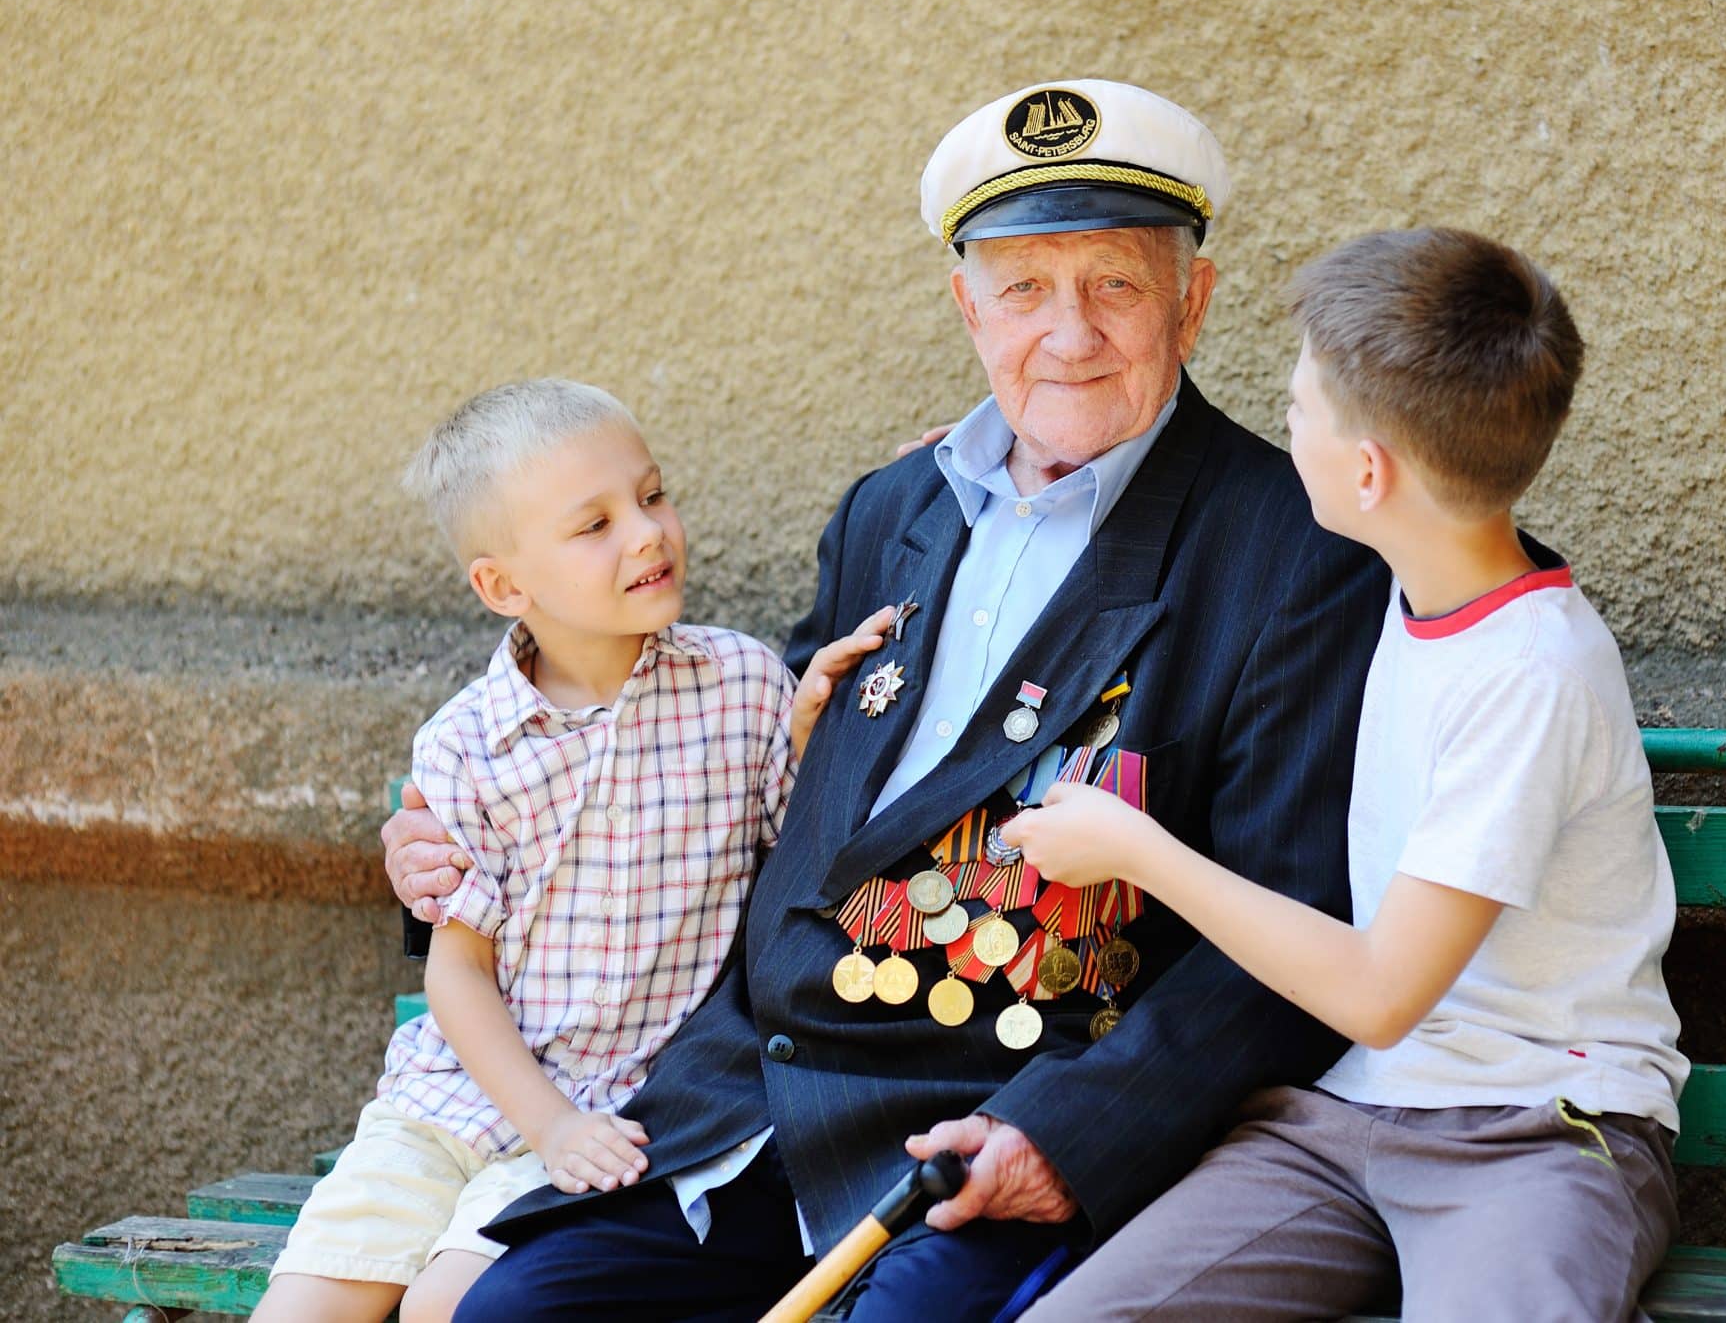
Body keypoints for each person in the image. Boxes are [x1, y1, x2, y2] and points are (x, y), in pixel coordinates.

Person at [383, 80, 1387, 1321]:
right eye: (1022, 288)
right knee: (516, 1316)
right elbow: (749, 775)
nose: (1067, 335)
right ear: (966, 306)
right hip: (758, 1098)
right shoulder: (887, 510)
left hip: (999, 1125)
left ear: (1194, 298)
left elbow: (1286, 931)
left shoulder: (1295, 549)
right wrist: (449, 840)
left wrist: (1066, 1138)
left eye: (1115, 284)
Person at [1005, 228, 1689, 1321]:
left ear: (1366, 473)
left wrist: (1139, 853)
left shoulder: (1529, 674)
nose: (1284, 425)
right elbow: (1201, 525)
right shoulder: (1394, 576)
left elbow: (1379, 994)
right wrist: (1005, 477)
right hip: (1340, 1121)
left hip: (1533, 1131)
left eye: (1299, 410)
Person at [260, 379, 887, 1323]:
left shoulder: (744, 688)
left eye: (653, 494)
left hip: (627, 1113)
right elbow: (457, 977)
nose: (647, 533)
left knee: (446, 1311)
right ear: (504, 586)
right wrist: (544, 1125)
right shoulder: (468, 744)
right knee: (303, 1310)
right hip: (454, 1103)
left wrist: (807, 740)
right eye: (593, 525)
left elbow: (800, 876)